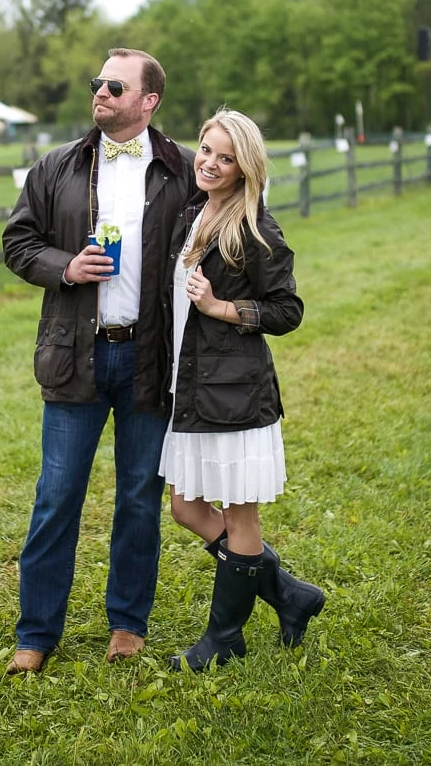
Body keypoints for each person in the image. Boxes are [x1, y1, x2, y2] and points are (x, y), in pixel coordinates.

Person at [2, 47, 196, 673]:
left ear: (148, 101)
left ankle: (127, 624)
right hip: (74, 356)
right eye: (98, 83)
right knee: (56, 496)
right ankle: (35, 635)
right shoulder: (56, 166)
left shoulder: (183, 169)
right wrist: (65, 267)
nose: (102, 93)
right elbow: (18, 242)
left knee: (139, 498)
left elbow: (233, 228)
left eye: (116, 85)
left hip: (148, 358)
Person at [159, 109, 325, 671]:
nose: (209, 162)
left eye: (225, 157)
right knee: (185, 506)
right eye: (205, 149)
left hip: (236, 392)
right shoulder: (194, 212)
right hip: (193, 386)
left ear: (244, 167)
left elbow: (287, 310)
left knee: (240, 516)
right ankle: (288, 595)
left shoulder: (255, 228)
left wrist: (219, 307)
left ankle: (224, 638)